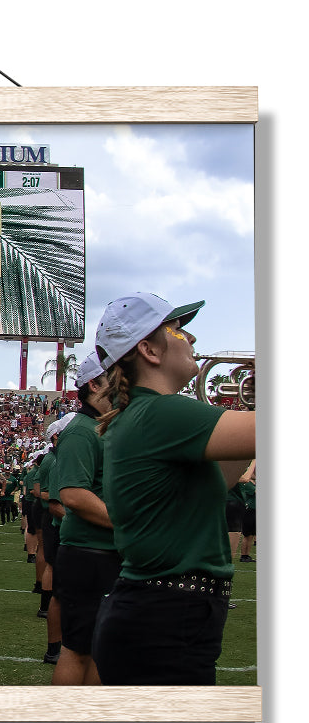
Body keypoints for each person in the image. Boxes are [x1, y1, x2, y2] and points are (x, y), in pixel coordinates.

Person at [91, 293, 256, 685]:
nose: (191, 338)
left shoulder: (149, 413)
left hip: (162, 613)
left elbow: (223, 479)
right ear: (148, 350)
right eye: (177, 330)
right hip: (166, 617)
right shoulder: (161, 413)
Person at [50, 352, 120, 684]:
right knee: (79, 649)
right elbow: (74, 495)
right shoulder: (81, 430)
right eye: (114, 380)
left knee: (104, 648)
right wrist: (132, 525)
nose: (123, 386)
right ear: (94, 385)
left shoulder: (105, 427)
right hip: (90, 552)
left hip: (106, 550)